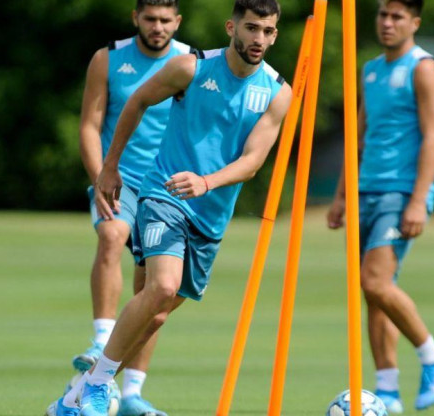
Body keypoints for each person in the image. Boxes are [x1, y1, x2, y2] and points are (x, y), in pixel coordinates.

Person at [49, 1, 291, 415]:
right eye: (251, 28)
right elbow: (137, 101)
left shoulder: (277, 92)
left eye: (268, 31)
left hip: (210, 215)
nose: (259, 39)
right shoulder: (191, 68)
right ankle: (101, 386)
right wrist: (109, 168)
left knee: (155, 315)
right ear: (232, 26)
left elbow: (253, 162)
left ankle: (75, 396)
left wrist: (208, 182)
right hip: (163, 194)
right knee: (160, 287)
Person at [62, 1, 192, 415]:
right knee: (112, 234)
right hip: (119, 179)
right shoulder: (108, 59)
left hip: (167, 187)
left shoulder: (191, 63)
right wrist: (101, 173)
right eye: (150, 19)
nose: (157, 27)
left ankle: (132, 393)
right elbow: (89, 124)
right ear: (136, 17)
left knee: (152, 294)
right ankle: (102, 339)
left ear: (178, 22)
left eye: (165, 20)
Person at [327, 0, 434, 412]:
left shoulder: (424, 68)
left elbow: (433, 137)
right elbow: (358, 136)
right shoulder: (371, 69)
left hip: (401, 194)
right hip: (366, 190)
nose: (387, 23)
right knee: (373, 292)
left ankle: (433, 357)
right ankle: (388, 390)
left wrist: (418, 200)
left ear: (414, 22)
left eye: (398, 16)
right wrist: (343, 194)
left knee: (376, 282)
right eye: (383, 15)